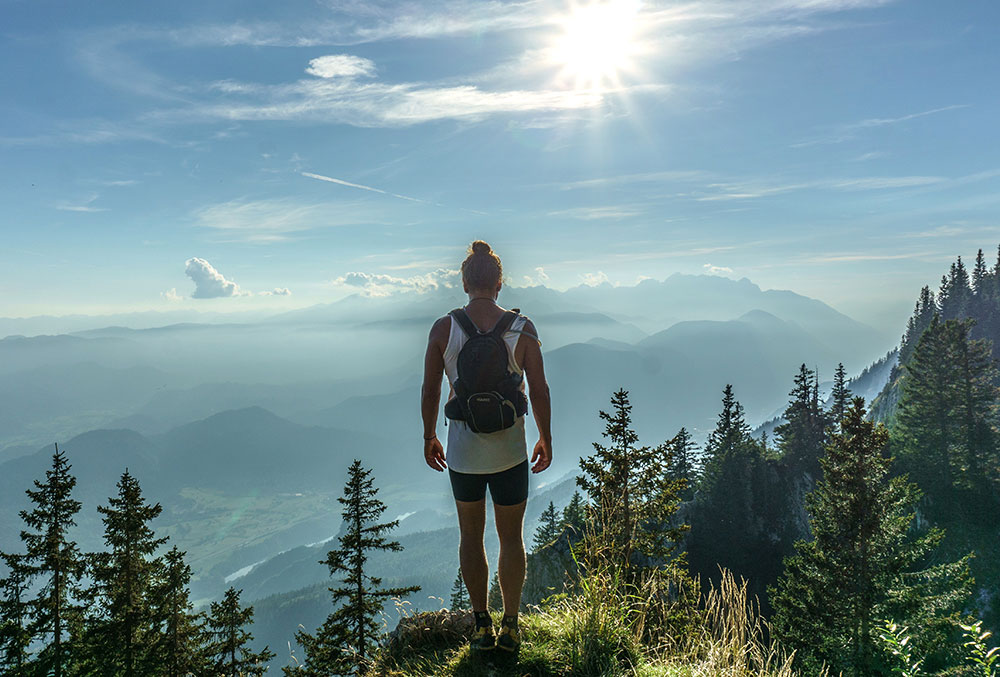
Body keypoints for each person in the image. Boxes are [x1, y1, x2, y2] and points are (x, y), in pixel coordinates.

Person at [421, 240, 552, 654]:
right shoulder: (522, 329)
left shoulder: (444, 329)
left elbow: (430, 388)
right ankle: (510, 625)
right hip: (510, 452)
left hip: (464, 454)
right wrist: (545, 437)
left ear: (464, 283)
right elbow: (540, 390)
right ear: (499, 283)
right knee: (511, 539)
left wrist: (429, 436)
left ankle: (481, 626)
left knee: (471, 536)